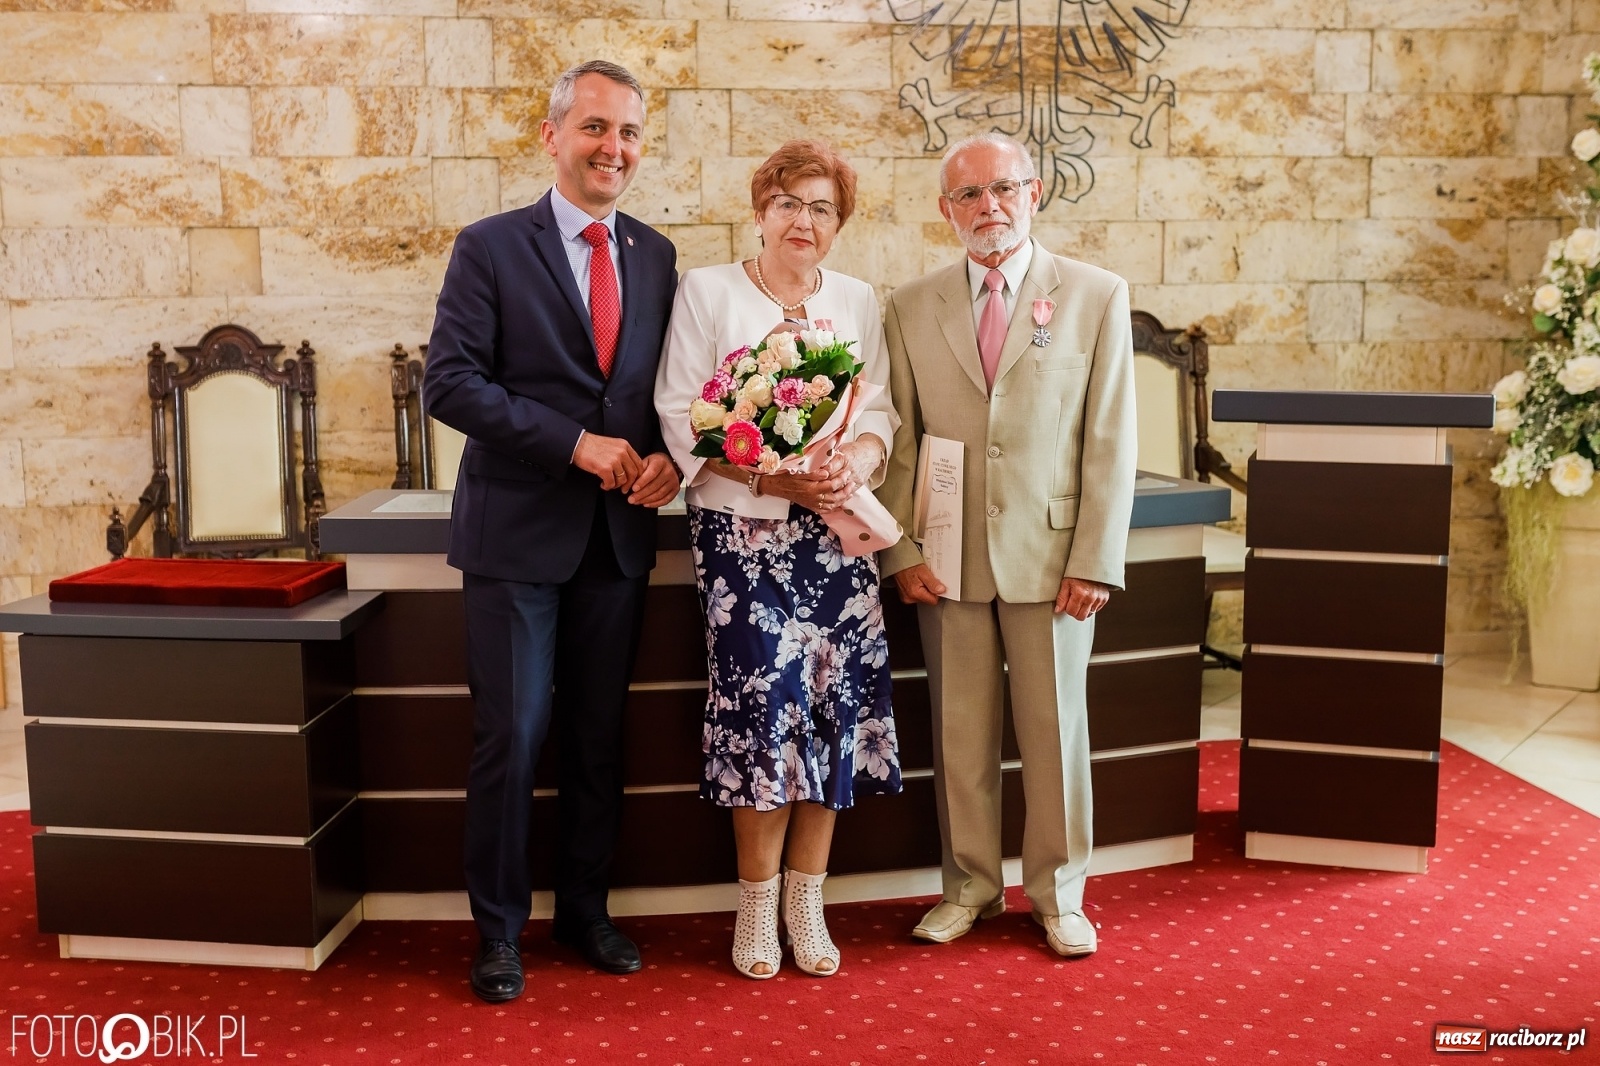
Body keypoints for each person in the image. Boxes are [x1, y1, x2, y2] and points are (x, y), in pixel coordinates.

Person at [423, 60, 681, 1003]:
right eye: (595, 129)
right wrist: (574, 444)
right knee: (516, 732)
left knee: (597, 738)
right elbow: (449, 384)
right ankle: (497, 932)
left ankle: (585, 911)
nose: (613, 148)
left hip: (616, 540)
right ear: (552, 135)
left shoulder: (655, 256)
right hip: (515, 538)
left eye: (629, 134)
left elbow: (658, 393)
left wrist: (665, 459)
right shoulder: (488, 247)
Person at [877, 131, 1136, 958]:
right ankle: (969, 889)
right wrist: (901, 548)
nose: (987, 207)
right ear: (945, 211)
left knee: (1055, 734)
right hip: (947, 561)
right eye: (968, 196)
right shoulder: (911, 304)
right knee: (960, 735)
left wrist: (1096, 557)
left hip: (1055, 557)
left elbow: (1110, 439)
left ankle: (1059, 895)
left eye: (1002, 189)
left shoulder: (1096, 295)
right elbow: (903, 437)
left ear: (1035, 192)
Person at [654, 140, 903, 980]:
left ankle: (809, 899)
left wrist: (855, 463)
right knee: (763, 712)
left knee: (832, 710)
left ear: (839, 225)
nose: (806, 221)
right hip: (743, 538)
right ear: (761, 208)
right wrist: (770, 475)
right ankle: (755, 907)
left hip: (837, 538)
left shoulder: (860, 300)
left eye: (823, 208)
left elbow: (884, 412)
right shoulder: (709, 290)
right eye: (791, 203)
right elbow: (684, 414)